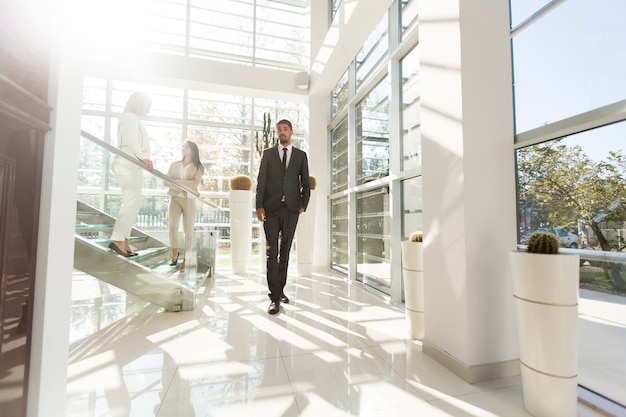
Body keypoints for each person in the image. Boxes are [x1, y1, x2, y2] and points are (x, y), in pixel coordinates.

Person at [256, 119, 311, 314]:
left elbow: (305, 182)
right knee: (272, 252)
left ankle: (280, 291)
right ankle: (274, 297)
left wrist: (303, 205)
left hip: (291, 209)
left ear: (291, 132)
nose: (282, 132)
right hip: (271, 209)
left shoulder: (301, 156)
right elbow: (261, 181)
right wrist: (259, 206)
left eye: (285, 129)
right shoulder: (268, 154)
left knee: (285, 251)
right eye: (279, 130)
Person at [109, 92, 154, 257]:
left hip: (132, 165)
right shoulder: (130, 117)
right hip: (127, 164)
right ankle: (117, 239)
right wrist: (145, 158)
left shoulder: (129, 118)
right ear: (139, 104)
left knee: (134, 204)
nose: (148, 111)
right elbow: (132, 142)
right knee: (130, 202)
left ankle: (124, 239)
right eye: (147, 107)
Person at [165, 140, 204, 273]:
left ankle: (186, 261)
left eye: (186, 147)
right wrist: (185, 183)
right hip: (175, 199)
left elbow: (194, 184)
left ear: (192, 150)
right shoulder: (174, 165)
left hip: (189, 200)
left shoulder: (198, 167)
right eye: (183, 146)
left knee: (188, 233)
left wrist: (174, 181)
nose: (183, 148)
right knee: (172, 226)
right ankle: (175, 253)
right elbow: (166, 181)